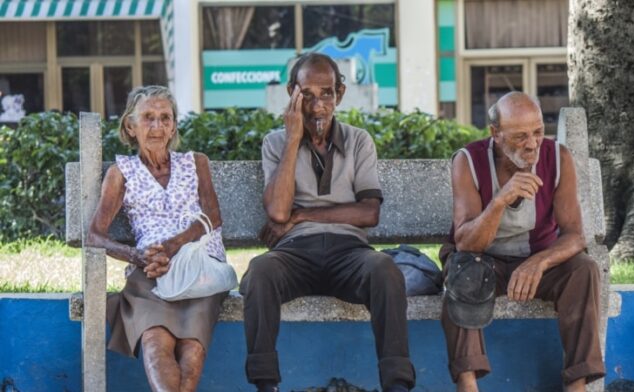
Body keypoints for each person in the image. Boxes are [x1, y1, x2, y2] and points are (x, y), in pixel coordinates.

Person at [239, 53, 415, 392]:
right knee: (260, 272)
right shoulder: (275, 142)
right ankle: (265, 385)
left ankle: (397, 385)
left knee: (385, 270)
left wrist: (302, 214)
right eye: (306, 94)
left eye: (327, 93)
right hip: (295, 254)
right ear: (291, 92)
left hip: (350, 254)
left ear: (341, 94)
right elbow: (277, 213)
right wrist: (293, 140)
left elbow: (369, 213)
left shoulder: (358, 140)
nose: (318, 105)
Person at [440, 92, 605, 392]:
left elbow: (575, 235)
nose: (531, 144)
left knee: (584, 270)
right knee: (462, 271)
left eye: (538, 132)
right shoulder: (468, 161)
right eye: (519, 137)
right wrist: (500, 201)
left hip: (534, 262)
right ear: (496, 134)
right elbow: (465, 242)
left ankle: (578, 385)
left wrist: (538, 263)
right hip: (481, 260)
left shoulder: (559, 158)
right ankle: (467, 385)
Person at [87, 85, 228, 391]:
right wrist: (137, 256)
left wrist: (175, 245)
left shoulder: (196, 162)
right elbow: (95, 236)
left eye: (165, 118)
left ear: (174, 125)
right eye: (148, 117)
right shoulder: (121, 172)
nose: (157, 126)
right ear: (130, 126)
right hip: (152, 272)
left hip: (199, 270)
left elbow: (213, 217)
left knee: (192, 346)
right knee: (154, 342)